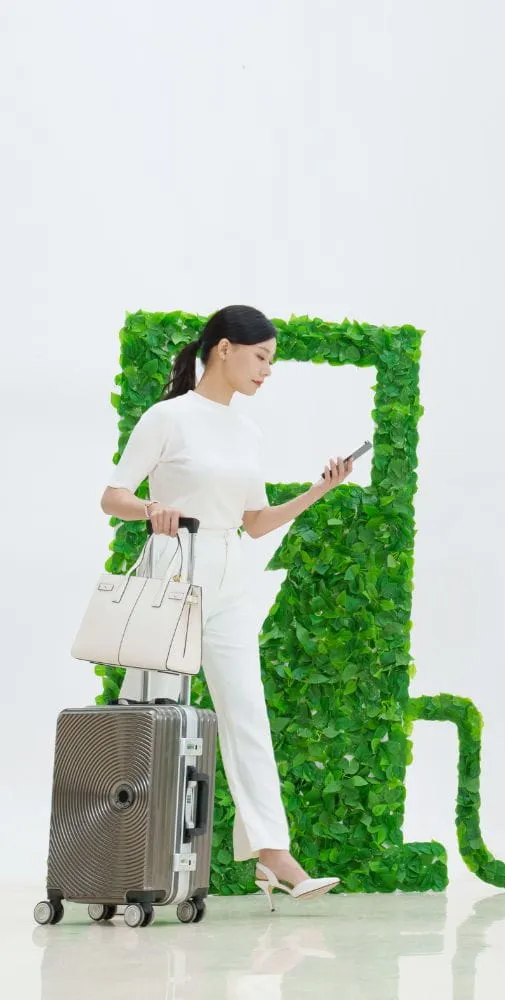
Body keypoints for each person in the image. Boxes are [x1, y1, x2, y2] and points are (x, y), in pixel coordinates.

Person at [99, 304, 354, 905]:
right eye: (261, 357)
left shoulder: (248, 431)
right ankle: (123, 859)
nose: (267, 371)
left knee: (248, 715)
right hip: (174, 565)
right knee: (152, 716)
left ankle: (273, 854)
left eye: (271, 360)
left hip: (231, 570)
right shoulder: (169, 418)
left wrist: (321, 489)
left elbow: (256, 522)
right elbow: (113, 496)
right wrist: (151, 511)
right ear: (223, 349)